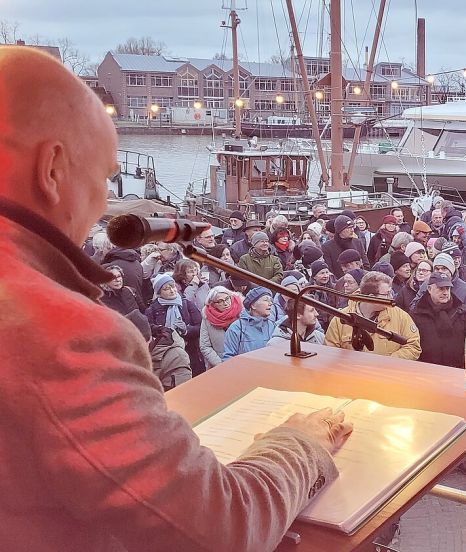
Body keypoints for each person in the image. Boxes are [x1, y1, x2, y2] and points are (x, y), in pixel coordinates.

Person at [0, 46, 352, 551]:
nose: (104, 202)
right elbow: (224, 526)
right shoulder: (60, 332)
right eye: (101, 178)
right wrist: (301, 443)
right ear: (52, 169)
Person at [325, 271, 422, 359]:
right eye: (387, 294)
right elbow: (330, 353)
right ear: (371, 298)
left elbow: (413, 346)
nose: (391, 298)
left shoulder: (401, 316)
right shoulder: (341, 320)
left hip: (387, 376)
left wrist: (387, 362)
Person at [411, 273, 466, 368]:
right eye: (441, 289)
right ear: (429, 289)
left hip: (456, 371)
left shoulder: (461, 312)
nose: (445, 292)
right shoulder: (417, 314)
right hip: (427, 370)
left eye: (448, 288)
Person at [222, 287, 278, 360]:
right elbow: (228, 358)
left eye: (271, 300)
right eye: (266, 300)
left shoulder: (272, 325)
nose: (270, 303)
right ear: (253, 305)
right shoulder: (236, 328)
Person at [199, 286, 242, 370]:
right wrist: (220, 364)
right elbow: (205, 346)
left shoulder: (242, 314)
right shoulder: (207, 319)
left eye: (227, 299)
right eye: (220, 301)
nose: (225, 303)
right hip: (219, 366)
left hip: (242, 363)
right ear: (212, 304)